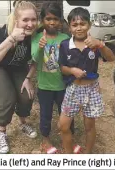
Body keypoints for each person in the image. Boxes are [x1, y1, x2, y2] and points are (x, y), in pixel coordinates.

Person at [0, 1, 38, 154]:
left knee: (27, 95)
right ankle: (1, 132)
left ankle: (22, 123)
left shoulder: (36, 35)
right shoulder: (7, 32)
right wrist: (12, 39)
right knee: (8, 97)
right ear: (17, 20)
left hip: (18, 68)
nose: (30, 24)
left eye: (33, 19)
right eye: (25, 20)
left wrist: (28, 79)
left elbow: (36, 60)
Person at [58, 7, 114, 154]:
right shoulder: (65, 45)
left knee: (89, 126)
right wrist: (72, 71)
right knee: (63, 126)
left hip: (92, 90)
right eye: (74, 25)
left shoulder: (95, 44)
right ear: (69, 27)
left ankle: (87, 156)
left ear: (89, 25)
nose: (79, 28)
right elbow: (62, 67)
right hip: (73, 90)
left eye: (82, 24)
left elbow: (111, 58)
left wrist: (100, 45)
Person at [31, 2, 75, 154]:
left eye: (55, 19)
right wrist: (41, 47)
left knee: (68, 112)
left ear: (60, 21)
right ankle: (46, 139)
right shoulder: (37, 38)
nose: (51, 22)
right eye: (48, 18)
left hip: (64, 86)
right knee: (46, 114)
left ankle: (69, 137)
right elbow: (35, 59)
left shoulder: (65, 38)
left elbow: (71, 59)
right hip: (45, 87)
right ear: (42, 20)